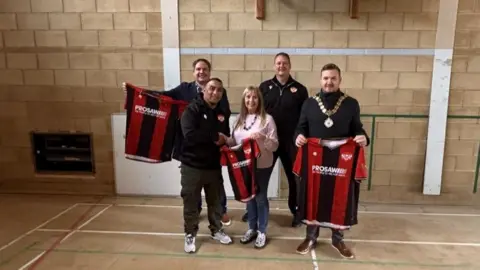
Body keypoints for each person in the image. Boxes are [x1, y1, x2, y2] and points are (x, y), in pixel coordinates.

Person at [122, 58, 232, 226]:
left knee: (216, 183)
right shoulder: (184, 89)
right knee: (192, 184)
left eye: (204, 69)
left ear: (210, 72)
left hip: (211, 147)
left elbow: (225, 114)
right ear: (194, 72)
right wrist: (138, 93)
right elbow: (163, 95)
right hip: (189, 146)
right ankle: (196, 211)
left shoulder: (219, 91)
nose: (201, 72)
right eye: (198, 69)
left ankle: (221, 211)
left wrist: (223, 138)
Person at [294, 63, 369, 259]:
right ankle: (311, 237)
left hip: (340, 162)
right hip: (315, 160)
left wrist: (363, 137)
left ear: (339, 80)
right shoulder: (309, 103)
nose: (329, 82)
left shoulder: (351, 103)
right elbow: (301, 128)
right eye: (326, 78)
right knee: (313, 195)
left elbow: (357, 129)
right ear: (320, 80)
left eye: (333, 78)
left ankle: (338, 239)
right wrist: (299, 137)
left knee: (340, 197)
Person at [250, 52, 308, 227]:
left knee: (295, 178)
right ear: (274, 66)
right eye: (278, 63)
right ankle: (253, 210)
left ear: (290, 66)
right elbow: (256, 112)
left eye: (284, 63)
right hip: (268, 142)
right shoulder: (264, 87)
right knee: (259, 176)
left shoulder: (300, 89)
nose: (281, 66)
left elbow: (304, 117)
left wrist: (301, 135)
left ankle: (297, 212)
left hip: (291, 142)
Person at [180, 77, 233, 253]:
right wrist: (214, 138)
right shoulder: (192, 109)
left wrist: (226, 140)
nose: (215, 92)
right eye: (211, 88)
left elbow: (224, 135)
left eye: (219, 90)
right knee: (191, 202)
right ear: (204, 90)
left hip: (213, 166)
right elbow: (189, 135)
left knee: (216, 201)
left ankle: (216, 230)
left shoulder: (223, 112)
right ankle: (190, 234)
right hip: (192, 166)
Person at [225, 86, 279, 249]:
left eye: (254, 97)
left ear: (259, 100)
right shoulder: (238, 120)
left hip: (262, 164)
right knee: (249, 196)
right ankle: (252, 228)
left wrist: (263, 138)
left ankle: (262, 231)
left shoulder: (267, 119)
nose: (251, 100)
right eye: (248, 97)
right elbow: (235, 142)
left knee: (260, 197)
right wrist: (225, 140)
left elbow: (275, 146)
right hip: (244, 165)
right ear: (244, 100)